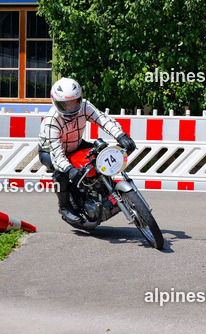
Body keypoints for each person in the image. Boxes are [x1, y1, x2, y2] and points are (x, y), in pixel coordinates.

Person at [38, 77, 137, 224]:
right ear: (55, 102)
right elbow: (57, 153)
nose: (70, 108)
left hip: (76, 144)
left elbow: (103, 120)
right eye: (64, 105)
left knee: (99, 154)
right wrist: (69, 169)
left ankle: (103, 192)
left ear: (79, 99)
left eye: (73, 102)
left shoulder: (85, 106)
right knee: (60, 172)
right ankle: (64, 207)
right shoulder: (51, 121)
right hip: (50, 151)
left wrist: (121, 136)